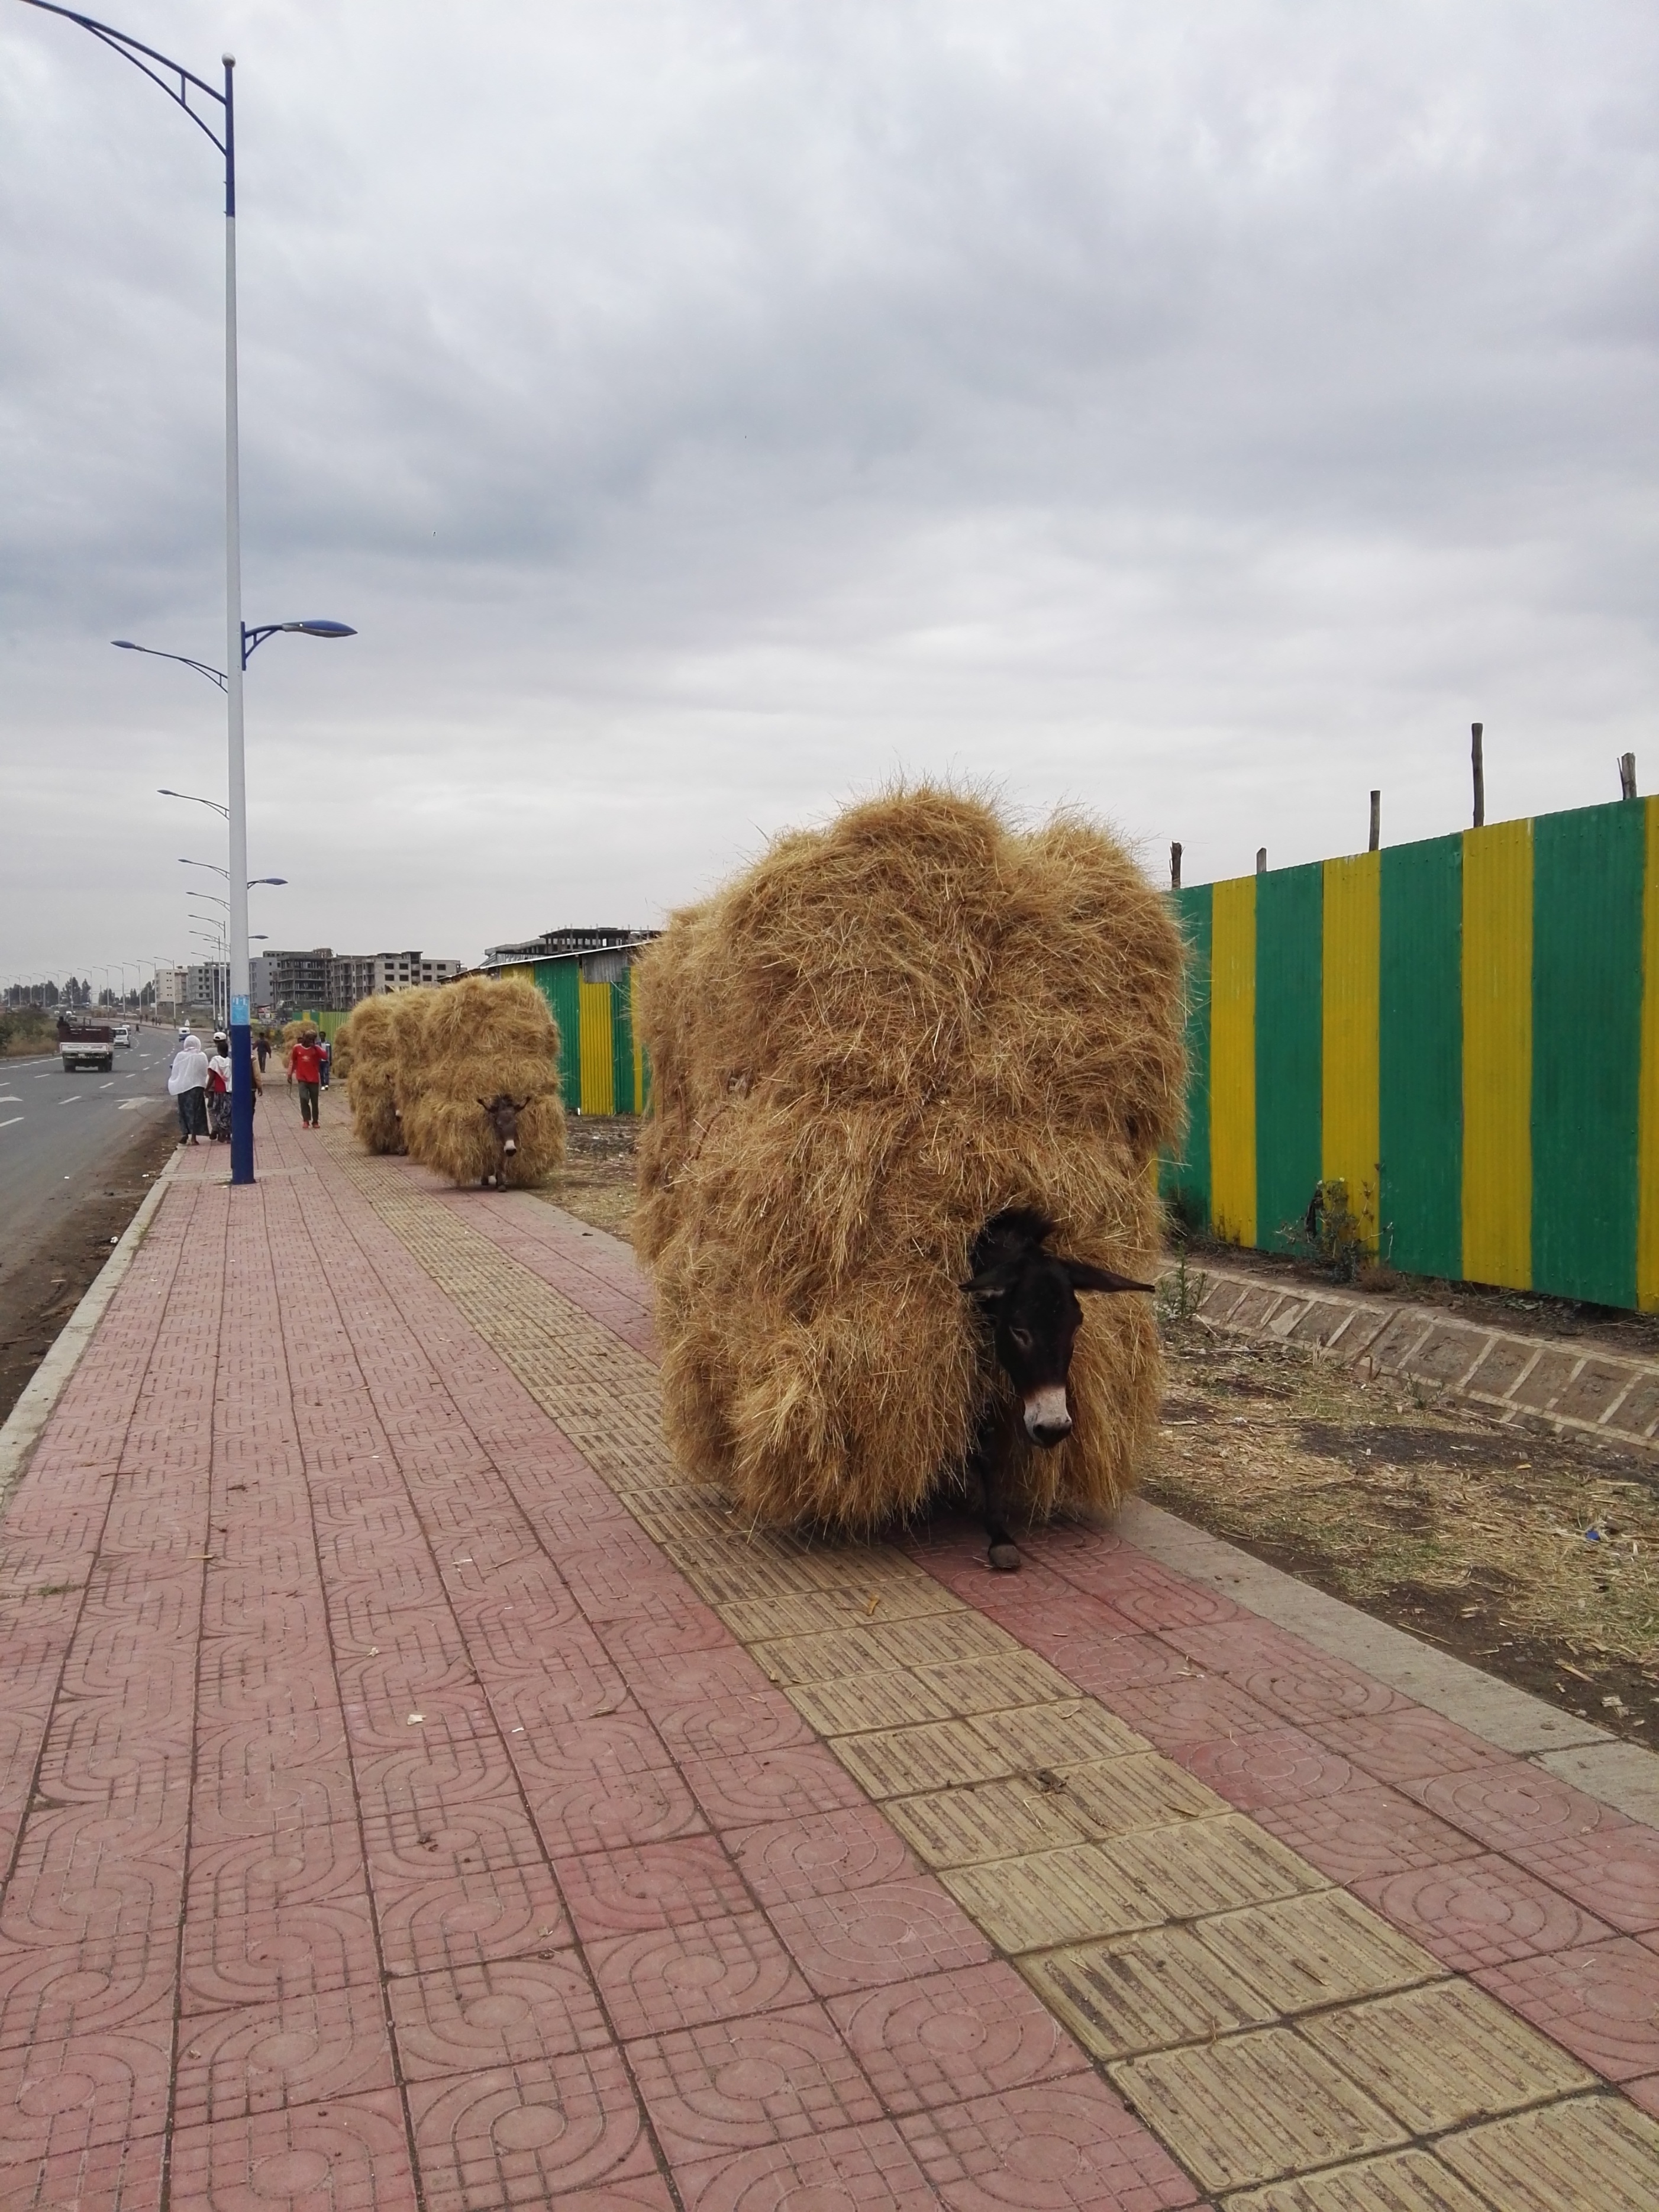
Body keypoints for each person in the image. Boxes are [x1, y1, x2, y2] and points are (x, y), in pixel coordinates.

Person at [168, 1032, 209, 1145]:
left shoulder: (180, 1056)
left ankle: (184, 1134)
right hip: (197, 1088)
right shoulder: (201, 1056)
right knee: (196, 1112)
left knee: (183, 1111)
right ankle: (194, 1138)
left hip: (182, 1088)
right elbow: (205, 1072)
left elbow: (175, 1071)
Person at [289, 1026, 324, 1130]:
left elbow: (325, 1056)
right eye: (309, 1039)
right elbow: (293, 1061)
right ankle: (306, 1120)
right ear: (304, 1038)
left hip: (314, 1079)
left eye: (313, 1039)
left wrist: (316, 1048)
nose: (311, 1041)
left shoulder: (316, 1049)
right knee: (304, 1099)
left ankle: (315, 1121)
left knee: (315, 1102)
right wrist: (289, 1074)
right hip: (302, 1078)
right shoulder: (297, 1048)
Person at [206, 1034, 232, 1142]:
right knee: (228, 1112)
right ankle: (227, 1135)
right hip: (229, 1090)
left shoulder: (215, 1060)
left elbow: (212, 1076)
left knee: (217, 1111)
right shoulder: (231, 1061)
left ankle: (220, 1132)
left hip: (219, 1090)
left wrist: (206, 1088)